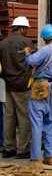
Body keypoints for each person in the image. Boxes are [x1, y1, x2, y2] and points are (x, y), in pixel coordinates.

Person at [24, 24, 52, 167]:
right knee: (50, 121)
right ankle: (50, 156)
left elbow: (32, 61)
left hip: (41, 87)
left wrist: (28, 53)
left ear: (44, 38)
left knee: (37, 122)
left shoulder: (45, 49)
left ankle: (36, 158)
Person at [0, 16, 34, 159]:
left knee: (8, 117)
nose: (26, 32)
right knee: (24, 117)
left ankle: (9, 148)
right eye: (26, 29)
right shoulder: (26, 42)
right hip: (22, 85)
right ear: (21, 28)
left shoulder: (2, 43)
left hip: (6, 85)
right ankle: (23, 150)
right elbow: (31, 62)